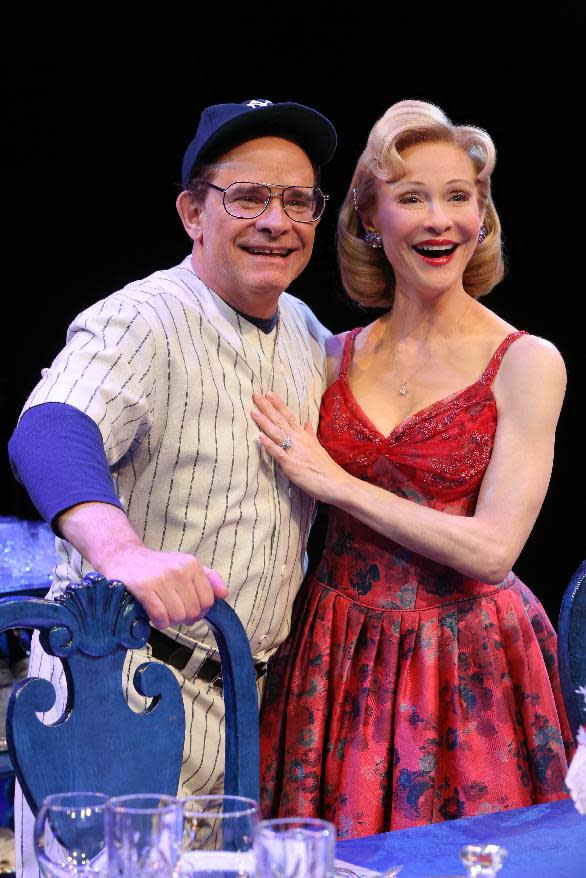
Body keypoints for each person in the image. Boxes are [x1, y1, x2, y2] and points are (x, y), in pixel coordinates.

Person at [8, 97, 336, 874]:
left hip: (245, 701)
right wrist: (123, 550)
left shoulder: (307, 332)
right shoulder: (143, 318)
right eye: (249, 197)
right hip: (116, 692)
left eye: (298, 200)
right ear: (193, 211)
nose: (277, 221)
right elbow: (51, 429)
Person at [251, 99, 575, 838]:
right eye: (412, 198)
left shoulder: (525, 362)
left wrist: (337, 483)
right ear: (370, 218)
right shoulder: (331, 354)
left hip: (467, 657)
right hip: (335, 650)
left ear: (482, 215)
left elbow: (494, 551)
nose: (440, 220)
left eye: (460, 197)